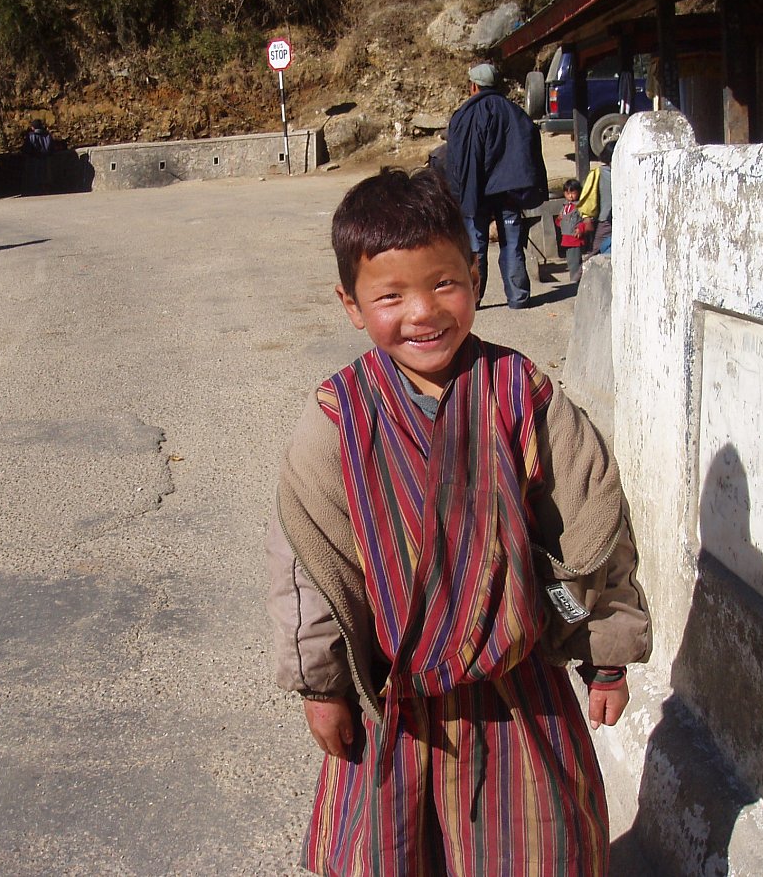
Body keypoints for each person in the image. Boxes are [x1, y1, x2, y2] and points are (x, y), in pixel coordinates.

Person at [265, 167, 651, 875]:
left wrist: (604, 652)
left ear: (475, 275)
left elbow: (586, 540)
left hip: (520, 701)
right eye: (391, 295)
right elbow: (310, 566)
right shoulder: (337, 420)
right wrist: (322, 687)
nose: (423, 312)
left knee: (535, 853)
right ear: (351, 305)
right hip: (396, 709)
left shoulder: (522, 396)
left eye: (444, 283)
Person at [445, 62, 548, 310]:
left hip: (476, 193)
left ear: (474, 86)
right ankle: (519, 298)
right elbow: (530, 152)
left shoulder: (466, 115)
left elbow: (458, 160)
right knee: (512, 244)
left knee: (476, 247)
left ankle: (474, 299)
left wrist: (458, 194)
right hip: (509, 192)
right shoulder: (515, 113)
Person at [578, 142, 615, 257]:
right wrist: (587, 217)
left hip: (625, 218)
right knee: (596, 251)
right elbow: (589, 196)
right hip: (606, 221)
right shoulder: (598, 173)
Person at [555, 177, 588, 281]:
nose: (570, 196)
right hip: (566, 239)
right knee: (570, 262)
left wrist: (580, 229)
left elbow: (585, 220)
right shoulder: (565, 206)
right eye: (567, 193)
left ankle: (575, 281)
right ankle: (574, 280)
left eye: (573, 193)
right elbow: (559, 223)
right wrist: (559, 219)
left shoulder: (580, 206)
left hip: (575, 239)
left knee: (575, 263)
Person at [21, 118, 54, 195]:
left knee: (36, 175)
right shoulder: (48, 135)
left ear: (33, 127)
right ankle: (46, 189)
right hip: (46, 158)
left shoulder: (31, 136)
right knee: (45, 175)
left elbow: (27, 148)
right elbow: (52, 147)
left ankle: (37, 190)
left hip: (34, 158)